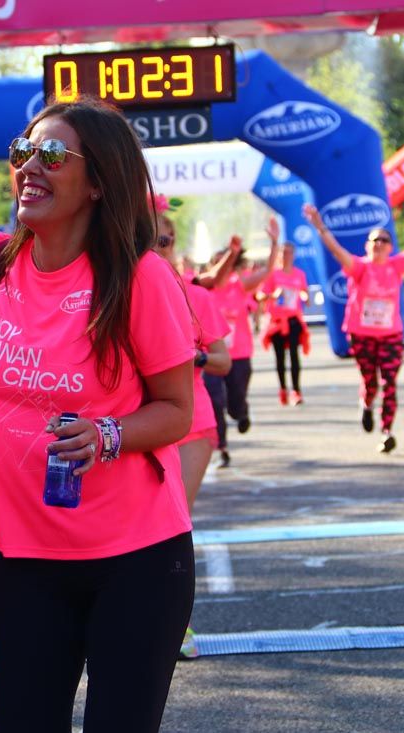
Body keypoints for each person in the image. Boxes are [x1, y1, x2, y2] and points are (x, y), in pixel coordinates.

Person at [0, 100, 196, 733]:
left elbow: (177, 412)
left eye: (52, 156)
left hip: (138, 560)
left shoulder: (138, 278)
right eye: (22, 153)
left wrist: (108, 434)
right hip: (25, 559)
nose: (29, 168)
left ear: (98, 182)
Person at [303, 193, 404, 453]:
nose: (380, 244)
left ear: (390, 246)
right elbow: (337, 251)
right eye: (375, 240)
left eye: (385, 240)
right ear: (367, 245)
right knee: (370, 381)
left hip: (390, 334)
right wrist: (319, 226)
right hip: (362, 334)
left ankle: (387, 430)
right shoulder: (359, 267)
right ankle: (366, 403)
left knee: (390, 382)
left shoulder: (397, 266)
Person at [153, 211, 231, 661]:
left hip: (191, 420)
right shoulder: (121, 287)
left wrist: (191, 358)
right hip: (137, 422)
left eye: (165, 241)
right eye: (148, 240)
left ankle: (178, 624)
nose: (159, 249)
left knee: (173, 522)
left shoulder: (196, 296)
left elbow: (221, 360)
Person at [204, 228, 279, 468]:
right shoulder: (204, 290)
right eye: (217, 264)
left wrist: (275, 242)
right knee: (215, 401)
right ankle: (222, 446)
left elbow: (268, 270)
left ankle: (242, 412)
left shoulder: (239, 286)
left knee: (235, 403)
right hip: (212, 357)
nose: (222, 269)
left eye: (226, 264)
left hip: (239, 355)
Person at [260, 239, 309, 406]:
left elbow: (303, 292)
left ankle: (296, 390)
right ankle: (283, 389)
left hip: (293, 319)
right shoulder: (272, 274)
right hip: (276, 321)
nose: (286, 255)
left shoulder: (299, 274)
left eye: (289, 252)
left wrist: (305, 297)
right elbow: (260, 295)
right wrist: (273, 295)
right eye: (283, 252)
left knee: (294, 355)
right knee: (280, 357)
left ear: (293, 255)